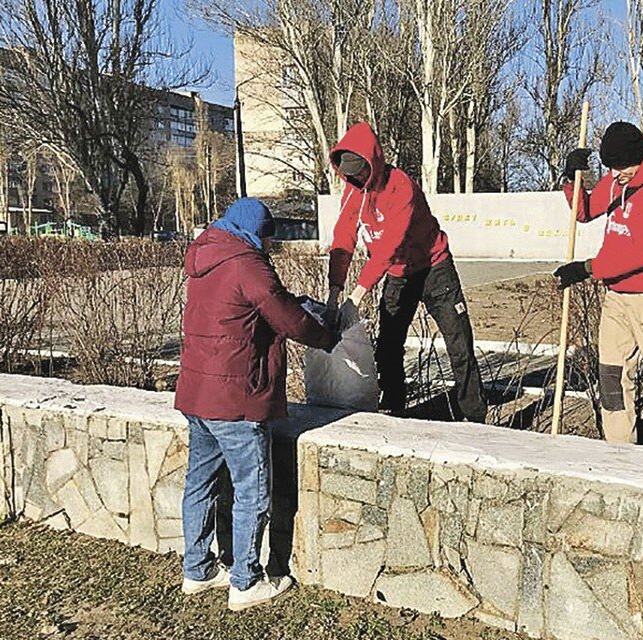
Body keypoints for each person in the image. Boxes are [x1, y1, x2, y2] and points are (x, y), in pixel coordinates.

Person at [174, 197, 337, 611]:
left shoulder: (205, 255)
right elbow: (287, 318)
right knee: (252, 489)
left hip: (197, 394)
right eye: (268, 238)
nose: (269, 246)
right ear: (256, 233)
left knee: (200, 482)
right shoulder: (248, 262)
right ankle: (245, 581)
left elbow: (253, 307)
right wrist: (327, 338)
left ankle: (197, 569)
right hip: (235, 399)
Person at [553, 121, 643, 453]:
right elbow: (585, 211)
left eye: (623, 167)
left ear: (638, 157)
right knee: (612, 379)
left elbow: (641, 252)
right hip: (616, 297)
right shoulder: (618, 177)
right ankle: (619, 453)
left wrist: (587, 268)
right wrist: (571, 178)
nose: (617, 174)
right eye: (612, 168)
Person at [325, 122, 487, 424]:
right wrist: (335, 293)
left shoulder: (401, 188)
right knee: (387, 345)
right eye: (349, 174)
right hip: (400, 274)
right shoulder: (352, 193)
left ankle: (474, 415)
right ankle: (395, 409)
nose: (355, 179)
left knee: (459, 343)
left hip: (435, 268)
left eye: (360, 172)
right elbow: (343, 239)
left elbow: (388, 248)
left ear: (373, 163)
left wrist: (356, 296)